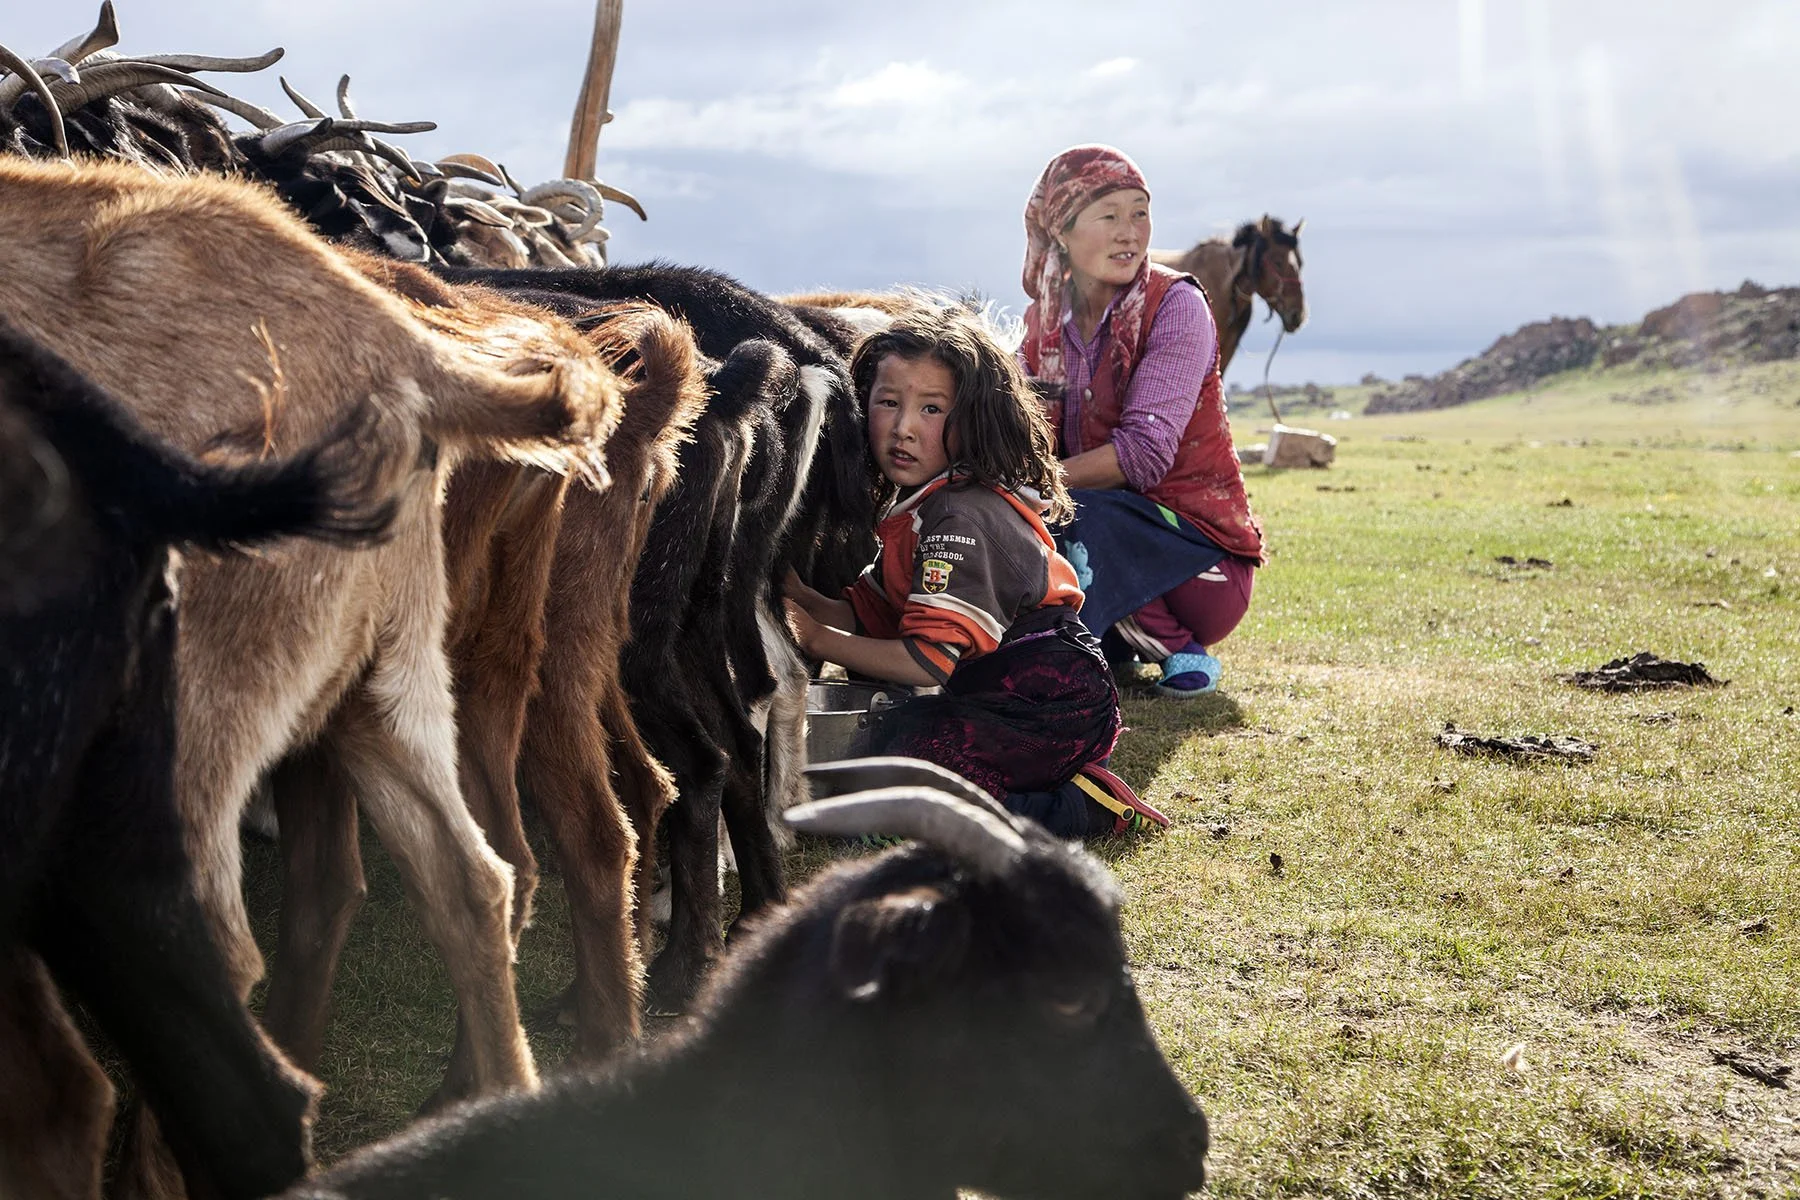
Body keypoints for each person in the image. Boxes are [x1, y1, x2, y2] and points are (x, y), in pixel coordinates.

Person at [783, 306, 1168, 837]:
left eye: (932, 409)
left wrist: (813, 636)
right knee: (890, 752)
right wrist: (796, 594)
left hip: (1050, 701)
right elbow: (865, 611)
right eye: (888, 403)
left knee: (916, 766)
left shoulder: (958, 515)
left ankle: (1081, 808)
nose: (904, 428)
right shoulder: (923, 503)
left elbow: (927, 661)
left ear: (973, 419)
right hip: (998, 694)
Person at [1018, 144, 1265, 697]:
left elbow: (1143, 455)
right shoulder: (1043, 322)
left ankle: (1182, 651)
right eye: (1109, 216)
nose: (1130, 232)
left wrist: (1035, 484)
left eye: (1140, 213)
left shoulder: (1176, 306)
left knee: (1074, 511)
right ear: (1061, 230)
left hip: (1200, 560)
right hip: (1104, 531)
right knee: (1014, 514)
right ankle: (1096, 642)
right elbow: (1015, 416)